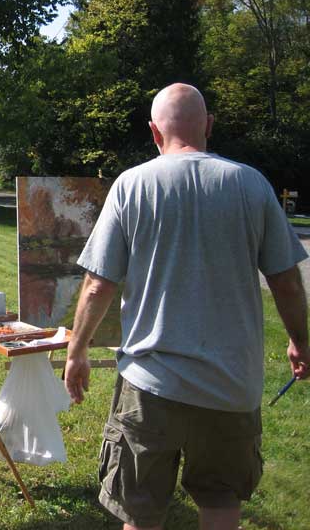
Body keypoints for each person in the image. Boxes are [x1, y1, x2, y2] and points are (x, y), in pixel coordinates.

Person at [63, 83, 309, 530]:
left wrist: (77, 351)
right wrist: (299, 342)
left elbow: (98, 285)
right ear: (209, 125)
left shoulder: (132, 185)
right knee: (220, 506)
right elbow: (288, 283)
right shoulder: (252, 185)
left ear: (154, 132)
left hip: (149, 385)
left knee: (140, 511)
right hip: (231, 387)